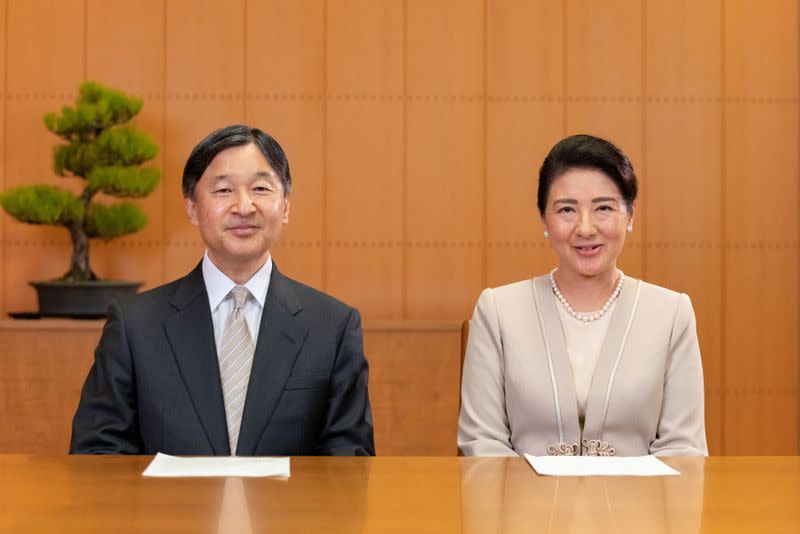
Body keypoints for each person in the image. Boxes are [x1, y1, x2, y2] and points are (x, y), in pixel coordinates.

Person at [71, 125, 374, 456]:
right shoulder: (135, 326)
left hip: (289, 510)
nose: (244, 206)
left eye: (260, 188)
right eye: (224, 191)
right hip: (167, 509)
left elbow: (350, 467)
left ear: (285, 205)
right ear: (192, 208)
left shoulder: (332, 327)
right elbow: (96, 458)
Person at [458, 134, 707, 457]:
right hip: (524, 506)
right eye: (567, 210)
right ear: (544, 219)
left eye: (603, 207)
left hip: (638, 507)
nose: (586, 228)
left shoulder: (672, 313)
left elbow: (683, 448)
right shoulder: (498, 310)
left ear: (630, 215)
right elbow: (482, 444)